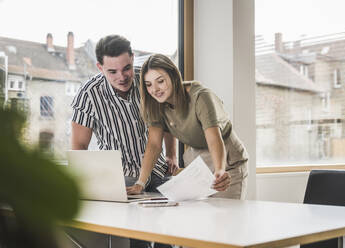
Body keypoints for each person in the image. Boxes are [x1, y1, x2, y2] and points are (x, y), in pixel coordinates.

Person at [70, 35, 175, 248]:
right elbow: (79, 146)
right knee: (139, 239)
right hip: (123, 179)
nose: (122, 77)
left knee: (170, 232)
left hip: (158, 170)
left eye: (126, 68)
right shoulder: (89, 95)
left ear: (133, 58)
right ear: (100, 67)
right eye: (112, 71)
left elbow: (167, 118)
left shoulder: (147, 81)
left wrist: (172, 153)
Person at [127, 54, 249, 200]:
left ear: (173, 76)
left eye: (160, 81)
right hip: (197, 163)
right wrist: (140, 183)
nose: (155, 89)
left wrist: (220, 171)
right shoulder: (156, 104)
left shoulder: (201, 97)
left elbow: (214, 139)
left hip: (226, 159)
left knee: (225, 216)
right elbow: (153, 145)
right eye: (148, 84)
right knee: (197, 217)